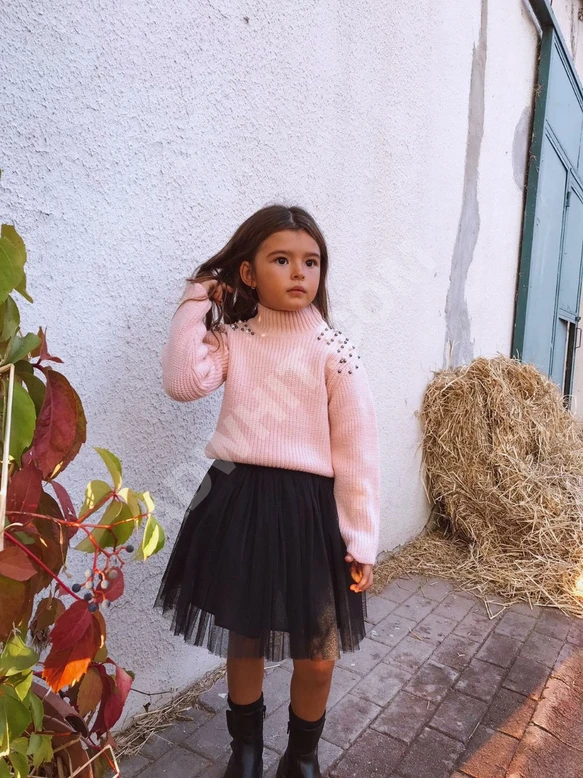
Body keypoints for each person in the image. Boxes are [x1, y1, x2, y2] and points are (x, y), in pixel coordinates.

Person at [154, 204, 381, 778]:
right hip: (239, 501)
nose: (299, 272)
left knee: (318, 652)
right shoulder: (235, 340)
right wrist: (197, 297)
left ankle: (301, 756)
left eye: (311, 261)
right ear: (248, 273)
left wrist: (361, 538)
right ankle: (246, 751)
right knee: (246, 634)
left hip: (311, 513)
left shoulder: (335, 351)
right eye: (281, 259)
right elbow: (183, 382)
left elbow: (357, 452)